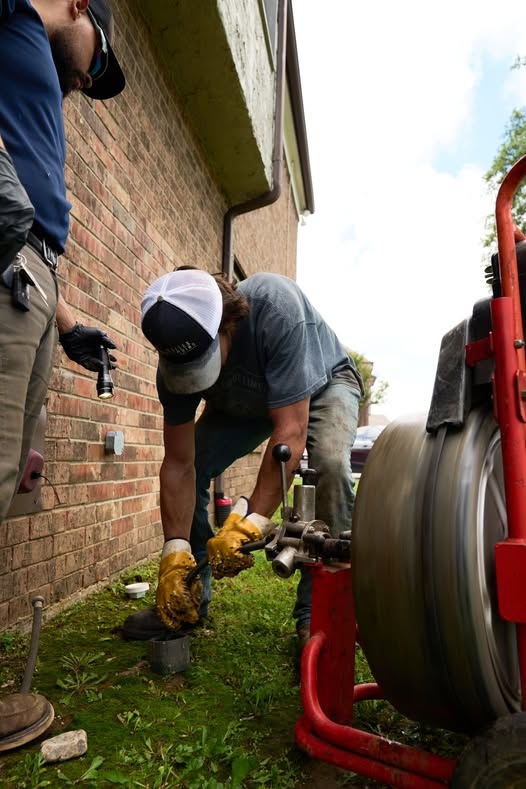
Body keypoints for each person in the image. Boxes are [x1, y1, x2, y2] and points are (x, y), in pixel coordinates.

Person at [0, 0, 125, 751]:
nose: (88, 77)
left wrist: (68, 321)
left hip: (33, 277)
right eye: (98, 59)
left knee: (9, 481)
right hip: (7, 262)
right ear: (80, 6)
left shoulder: (27, 51)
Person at [123, 267, 363, 655]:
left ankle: (317, 615)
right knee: (198, 464)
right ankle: (187, 597)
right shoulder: (175, 356)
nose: (191, 375)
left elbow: (291, 431)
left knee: (329, 467)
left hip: (324, 383)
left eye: (202, 361)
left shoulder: (275, 309)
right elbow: (179, 464)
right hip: (246, 401)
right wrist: (174, 550)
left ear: (228, 323)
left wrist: (249, 522)